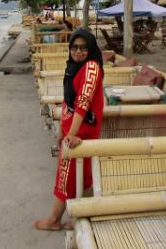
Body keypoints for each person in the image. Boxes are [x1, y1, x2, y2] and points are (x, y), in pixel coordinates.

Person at [34, 28, 104, 231]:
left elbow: (83, 102)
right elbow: (69, 102)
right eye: (74, 47)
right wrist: (62, 131)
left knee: (66, 176)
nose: (78, 51)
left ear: (90, 49)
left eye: (84, 47)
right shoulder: (73, 67)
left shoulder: (91, 67)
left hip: (81, 133)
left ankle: (54, 220)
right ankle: (81, 216)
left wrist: (71, 133)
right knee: (80, 175)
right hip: (73, 131)